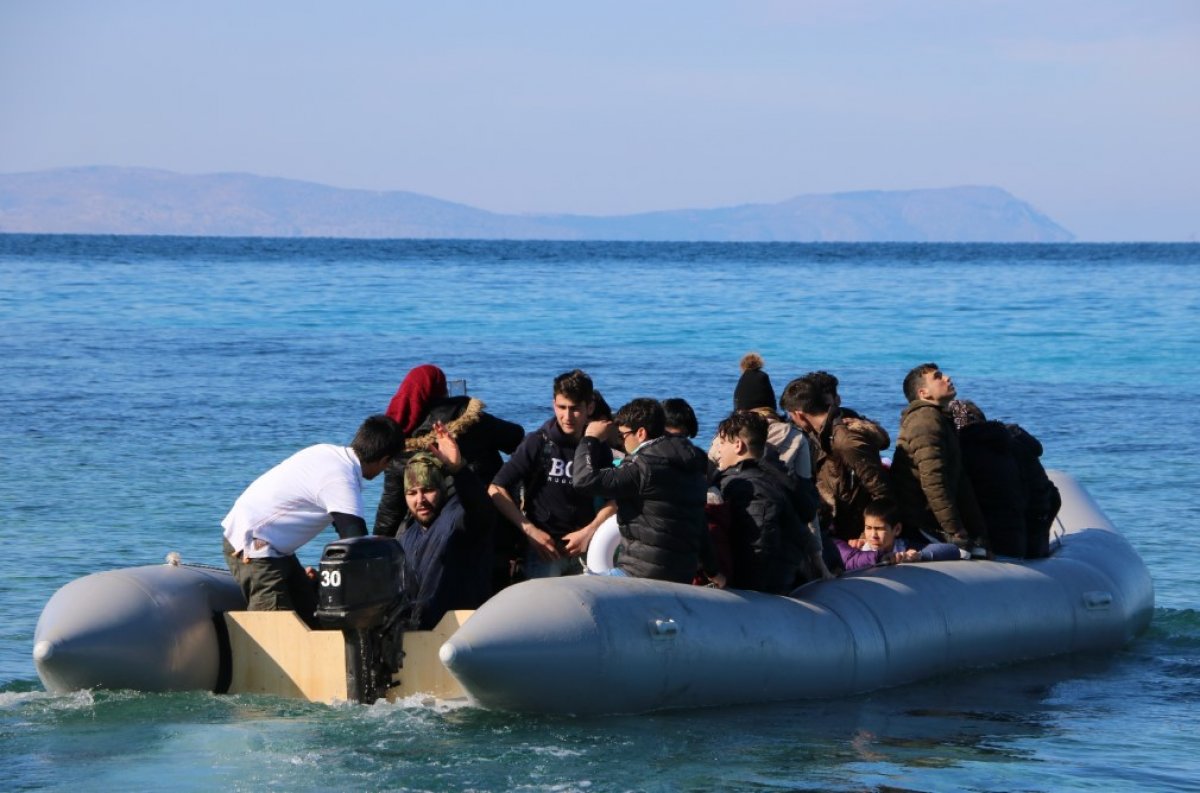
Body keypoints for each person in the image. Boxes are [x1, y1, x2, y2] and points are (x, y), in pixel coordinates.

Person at [221, 415, 403, 626]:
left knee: (311, 615)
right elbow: (357, 544)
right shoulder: (341, 480)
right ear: (385, 460)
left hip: (276, 548)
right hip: (255, 547)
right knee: (276, 630)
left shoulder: (327, 453)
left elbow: (342, 527)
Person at [573, 398, 716, 584]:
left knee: (580, 588)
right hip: (681, 576)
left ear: (640, 433)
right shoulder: (692, 466)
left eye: (623, 436)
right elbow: (699, 524)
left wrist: (590, 439)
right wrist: (713, 570)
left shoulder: (641, 466)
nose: (622, 443)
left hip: (639, 574)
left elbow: (584, 480)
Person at [488, 369, 615, 578]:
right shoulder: (538, 442)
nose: (567, 416)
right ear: (553, 404)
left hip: (583, 548)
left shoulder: (598, 447)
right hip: (543, 551)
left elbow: (614, 500)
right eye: (561, 407)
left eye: (575, 409)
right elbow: (495, 489)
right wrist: (530, 531)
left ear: (589, 407)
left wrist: (589, 531)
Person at [374, 364, 524, 537]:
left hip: (431, 534)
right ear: (443, 390)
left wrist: (374, 547)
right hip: (489, 521)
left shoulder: (401, 441)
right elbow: (517, 438)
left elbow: (390, 511)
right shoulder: (473, 421)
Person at [712, 410, 830, 592]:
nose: (718, 449)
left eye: (722, 443)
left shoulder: (750, 487)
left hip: (763, 586)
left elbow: (760, 542)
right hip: (784, 575)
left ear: (738, 445)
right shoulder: (780, 478)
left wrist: (746, 588)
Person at [396, 422, 496, 630]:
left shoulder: (457, 518)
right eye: (412, 493)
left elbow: (481, 511)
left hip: (461, 631)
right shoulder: (406, 533)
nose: (420, 500)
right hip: (419, 636)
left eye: (428, 490)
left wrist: (459, 470)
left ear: (442, 488)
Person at [890, 363, 989, 557]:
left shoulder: (941, 419)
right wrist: (954, 530)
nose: (947, 378)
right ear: (923, 392)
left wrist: (977, 533)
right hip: (919, 522)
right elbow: (933, 480)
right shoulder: (925, 420)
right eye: (938, 377)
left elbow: (959, 481)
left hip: (933, 520)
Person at [779, 373, 892, 543]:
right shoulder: (818, 434)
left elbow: (882, 492)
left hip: (856, 531)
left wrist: (866, 536)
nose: (791, 421)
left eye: (791, 416)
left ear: (799, 414)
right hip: (837, 524)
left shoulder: (845, 440)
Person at [950, 400, 1061, 558]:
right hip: (1025, 530)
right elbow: (1050, 496)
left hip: (1000, 540)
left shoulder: (966, 452)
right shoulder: (1012, 442)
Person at [709, 353, 812, 482]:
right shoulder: (796, 436)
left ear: (740, 409)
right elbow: (805, 481)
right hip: (781, 499)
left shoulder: (725, 436)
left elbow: (708, 472)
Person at [834, 499, 963, 571]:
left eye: (879, 529)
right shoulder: (858, 552)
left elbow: (952, 550)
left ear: (897, 529)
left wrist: (918, 556)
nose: (873, 535)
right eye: (868, 528)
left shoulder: (905, 549)